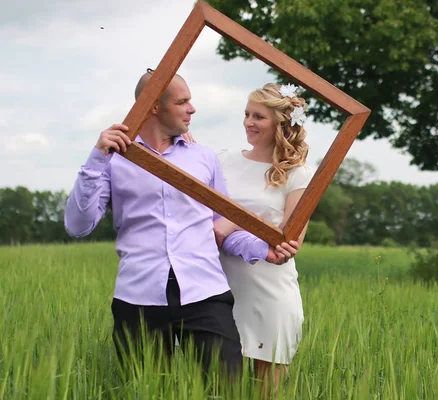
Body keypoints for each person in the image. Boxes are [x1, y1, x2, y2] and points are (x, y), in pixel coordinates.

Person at [63, 70, 297, 376]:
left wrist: (264, 249)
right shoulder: (114, 159)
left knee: (225, 388)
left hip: (205, 294)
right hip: (139, 296)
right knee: (145, 391)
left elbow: (220, 224)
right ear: (154, 107)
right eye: (183, 101)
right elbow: (78, 225)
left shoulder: (204, 158)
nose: (192, 108)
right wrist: (97, 158)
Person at [211, 83, 314, 393]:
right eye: (246, 114)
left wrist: (231, 225)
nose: (248, 122)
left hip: (270, 294)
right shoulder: (224, 159)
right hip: (218, 291)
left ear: (280, 125)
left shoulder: (298, 174)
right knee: (217, 389)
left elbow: (288, 243)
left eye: (258, 117)